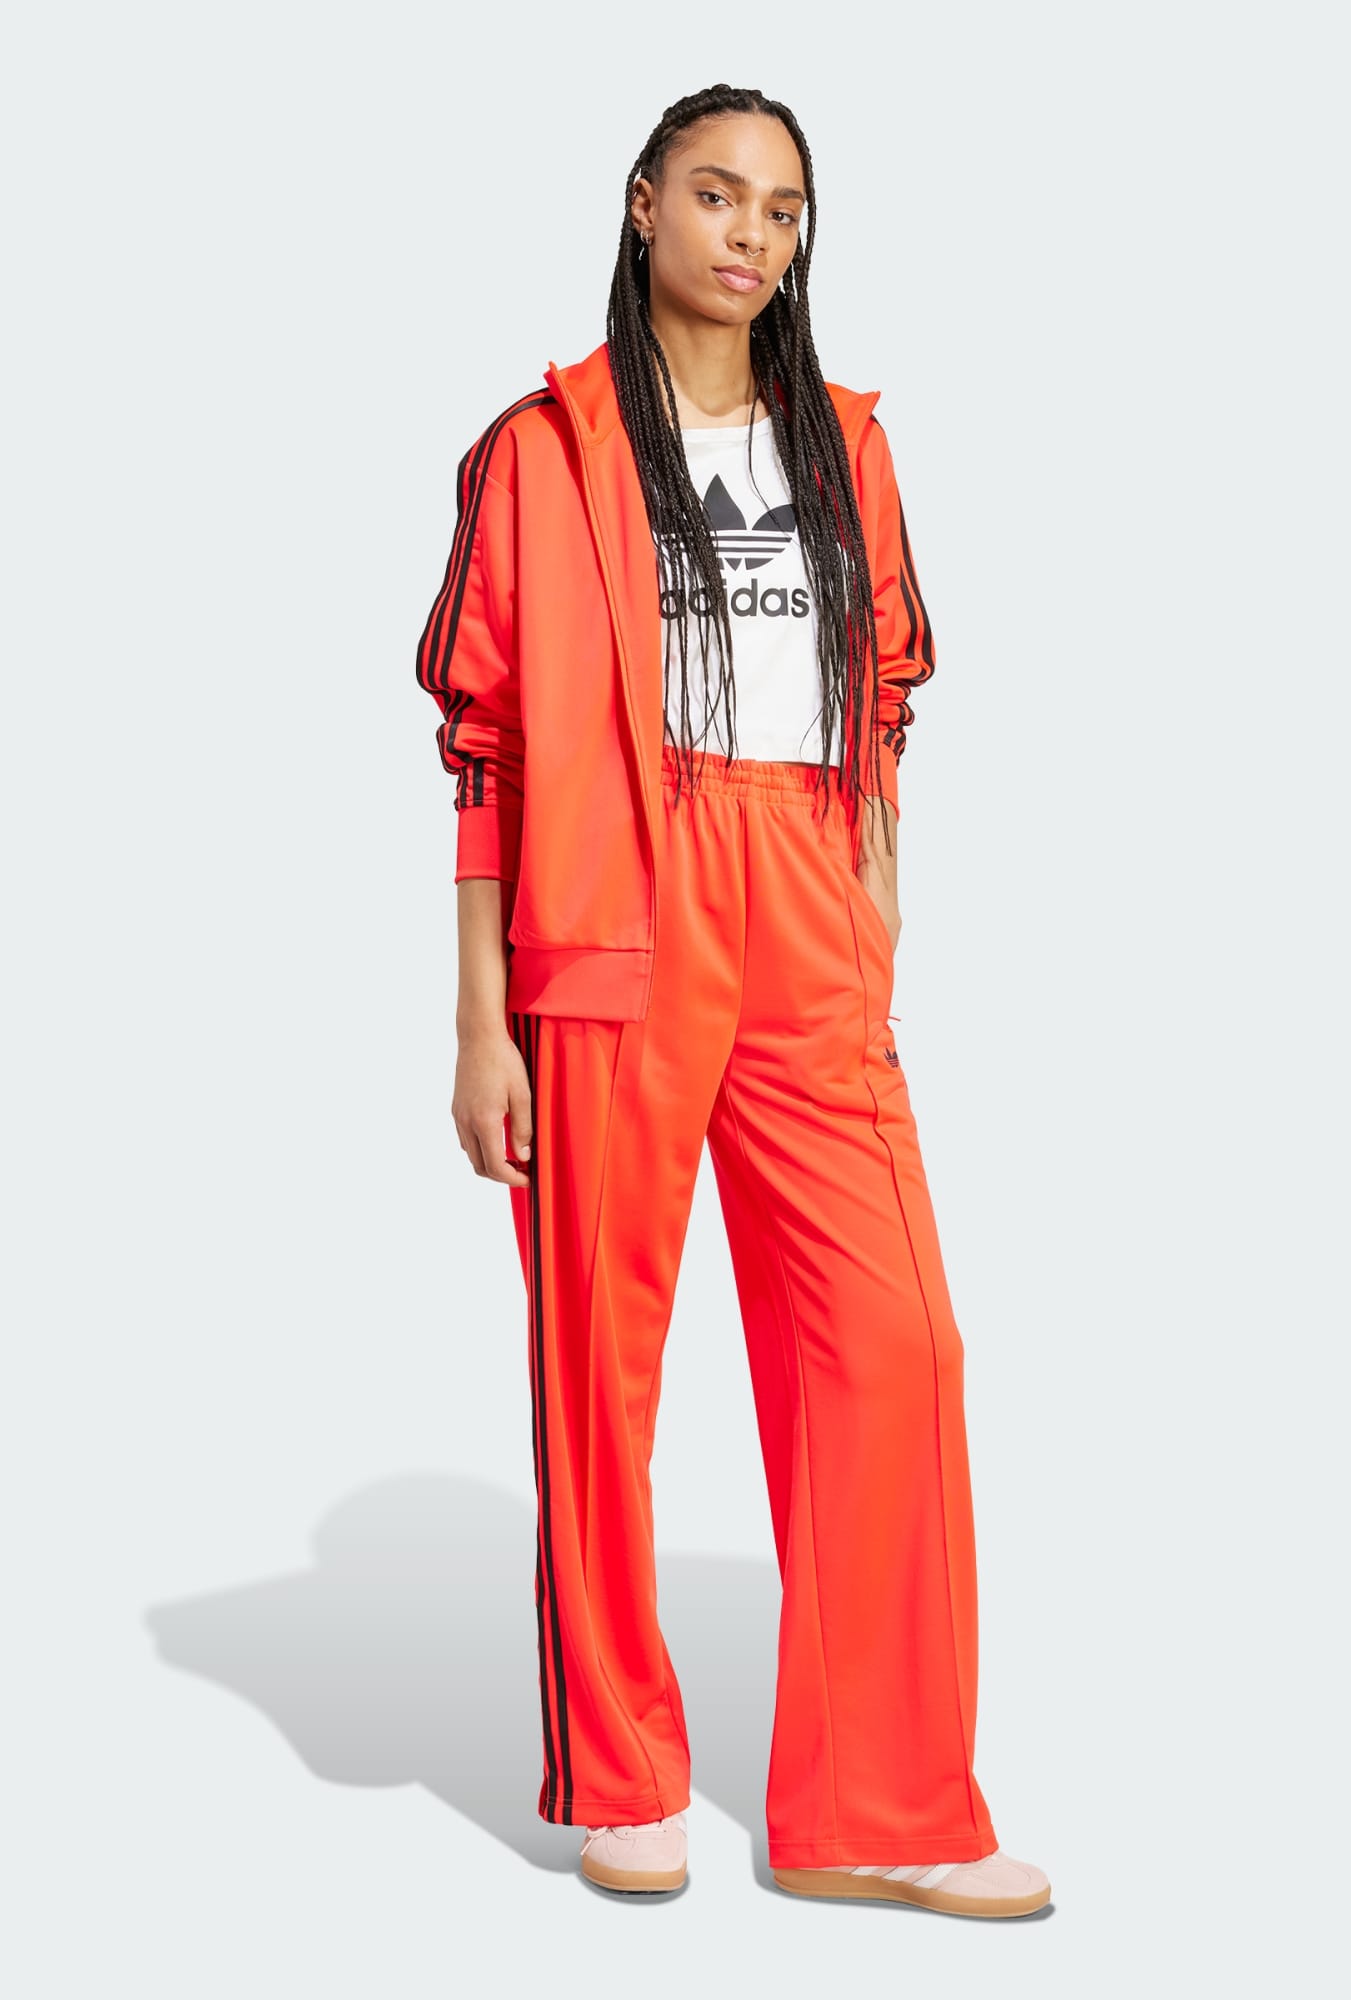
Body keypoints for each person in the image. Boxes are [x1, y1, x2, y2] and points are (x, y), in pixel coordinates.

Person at [413, 82, 1051, 1921]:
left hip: (809, 897)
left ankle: (879, 1803)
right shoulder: (544, 449)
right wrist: (479, 1021)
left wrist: (877, 893)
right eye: (715, 194)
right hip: (614, 907)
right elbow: (485, 744)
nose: (750, 233)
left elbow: (886, 693)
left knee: (897, 1348)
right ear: (642, 206)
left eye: (781, 207)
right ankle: (623, 1772)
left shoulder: (848, 444)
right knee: (600, 1370)